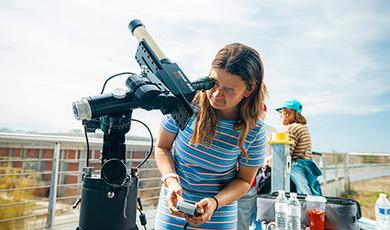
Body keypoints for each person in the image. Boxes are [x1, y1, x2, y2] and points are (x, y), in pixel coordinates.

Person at [154, 43, 267, 229]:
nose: (216, 94)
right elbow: (162, 147)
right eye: (213, 83)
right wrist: (171, 181)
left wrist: (214, 203)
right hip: (172, 210)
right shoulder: (185, 103)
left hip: (218, 216)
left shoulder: (254, 130)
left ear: (249, 89)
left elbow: (245, 180)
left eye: (229, 90)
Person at [276, 99, 322, 195]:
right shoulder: (302, 127)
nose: (280, 116)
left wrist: (270, 160)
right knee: (310, 192)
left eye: (281, 112)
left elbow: (286, 152)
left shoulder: (292, 128)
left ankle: (306, 208)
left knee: (303, 194)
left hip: (297, 166)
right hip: (307, 164)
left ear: (287, 113)